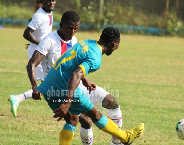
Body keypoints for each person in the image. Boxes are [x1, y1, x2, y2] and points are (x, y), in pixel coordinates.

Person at [10, 10, 123, 144]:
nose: (73, 32)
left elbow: (76, 66)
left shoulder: (74, 40)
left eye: (76, 29)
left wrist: (85, 80)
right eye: (70, 28)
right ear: (61, 24)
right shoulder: (49, 41)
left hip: (75, 83)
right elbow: (32, 64)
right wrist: (35, 87)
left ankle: (118, 141)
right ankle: (122, 138)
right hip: (59, 88)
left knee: (112, 101)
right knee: (83, 120)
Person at [27, 27, 144, 145]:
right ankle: (125, 137)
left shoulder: (87, 42)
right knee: (95, 114)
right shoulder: (96, 58)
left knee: (72, 120)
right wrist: (67, 103)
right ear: (114, 44)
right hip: (63, 87)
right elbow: (75, 74)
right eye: (118, 45)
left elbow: (71, 63)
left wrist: (84, 79)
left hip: (48, 87)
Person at [8, 0, 56, 116]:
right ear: (43, 1)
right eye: (48, 1)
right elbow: (26, 33)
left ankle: (18, 98)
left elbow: (33, 23)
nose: (52, 3)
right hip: (38, 53)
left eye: (53, 0)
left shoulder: (49, 12)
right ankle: (17, 98)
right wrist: (40, 43)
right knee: (49, 84)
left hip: (44, 51)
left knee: (49, 83)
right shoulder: (39, 16)